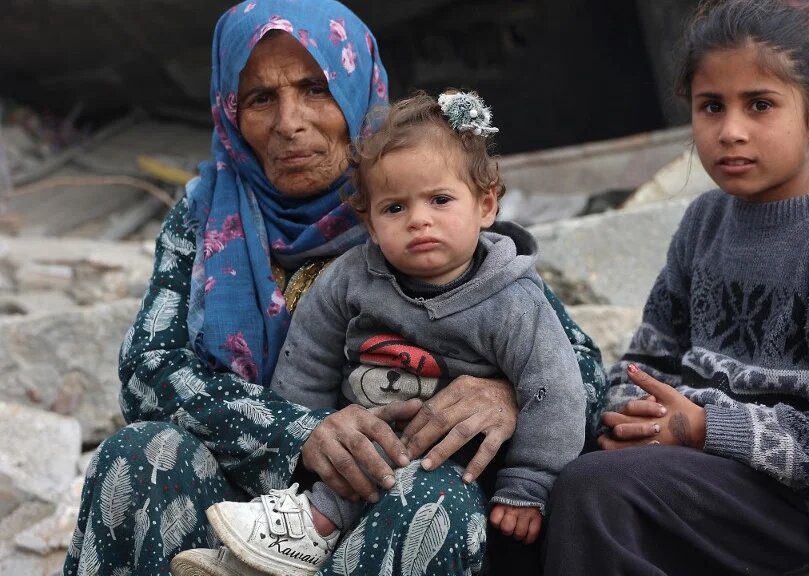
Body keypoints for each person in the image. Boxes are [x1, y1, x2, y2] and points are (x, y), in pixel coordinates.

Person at [62, 2, 606, 576]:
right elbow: (148, 370)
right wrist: (299, 431)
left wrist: (504, 393)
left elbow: (581, 369)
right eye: (260, 99)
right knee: (140, 451)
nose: (289, 122)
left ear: (357, 92)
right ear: (229, 112)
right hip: (251, 494)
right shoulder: (204, 217)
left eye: (315, 89)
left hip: (388, 494)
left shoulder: (427, 200)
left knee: (431, 500)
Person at [543, 0, 809, 574]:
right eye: (711, 107)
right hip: (690, 467)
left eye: (760, 105)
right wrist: (628, 419)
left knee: (596, 491)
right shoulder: (705, 222)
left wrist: (709, 428)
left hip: (802, 505)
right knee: (530, 483)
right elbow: (647, 362)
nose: (731, 131)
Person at [199, 90, 586, 576]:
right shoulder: (349, 280)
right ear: (370, 223)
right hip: (364, 444)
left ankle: (298, 540)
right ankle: (285, 544)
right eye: (395, 208)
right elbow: (308, 363)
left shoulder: (513, 300)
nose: (419, 219)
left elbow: (557, 392)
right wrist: (305, 446)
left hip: (457, 464)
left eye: (440, 200)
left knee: (414, 484)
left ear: (486, 206)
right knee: (356, 463)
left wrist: (528, 484)